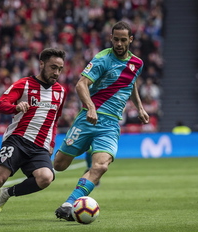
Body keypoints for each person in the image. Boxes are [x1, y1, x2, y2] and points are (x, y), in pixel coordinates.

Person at [0, 48, 67, 226]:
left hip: (40, 146)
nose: (56, 72)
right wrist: (15, 107)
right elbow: (1, 105)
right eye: (53, 67)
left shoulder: (60, 91)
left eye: (60, 69)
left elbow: (55, 119)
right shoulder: (24, 84)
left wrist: (52, 142)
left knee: (46, 177)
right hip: (17, 140)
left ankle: (7, 194)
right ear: (41, 64)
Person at [53, 21, 149, 221]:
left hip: (111, 124)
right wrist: (90, 107)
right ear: (111, 39)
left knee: (101, 166)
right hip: (88, 120)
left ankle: (69, 203)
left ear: (130, 39)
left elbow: (131, 83)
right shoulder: (102, 59)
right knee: (59, 165)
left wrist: (139, 106)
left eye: (124, 40)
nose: (119, 44)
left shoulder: (137, 63)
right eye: (116, 39)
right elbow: (81, 84)